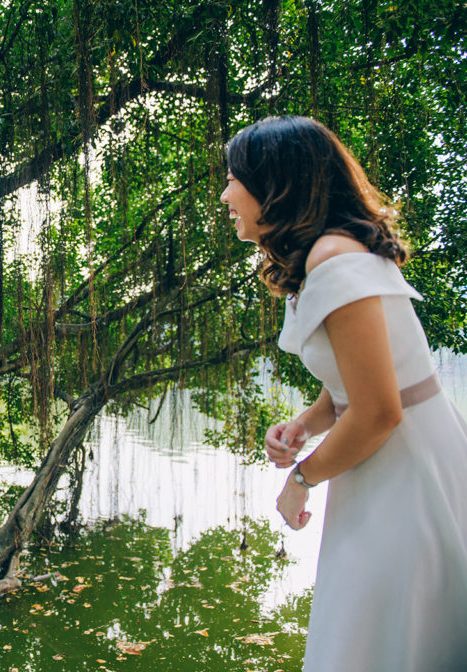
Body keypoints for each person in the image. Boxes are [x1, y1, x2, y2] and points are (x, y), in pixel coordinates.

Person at [220, 115, 467, 671]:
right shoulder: (319, 258)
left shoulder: (334, 257)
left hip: (406, 472)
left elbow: (380, 410)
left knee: (387, 636)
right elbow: (351, 392)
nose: (225, 193)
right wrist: (304, 425)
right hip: (384, 466)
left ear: (276, 183)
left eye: (236, 176)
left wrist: (301, 479)